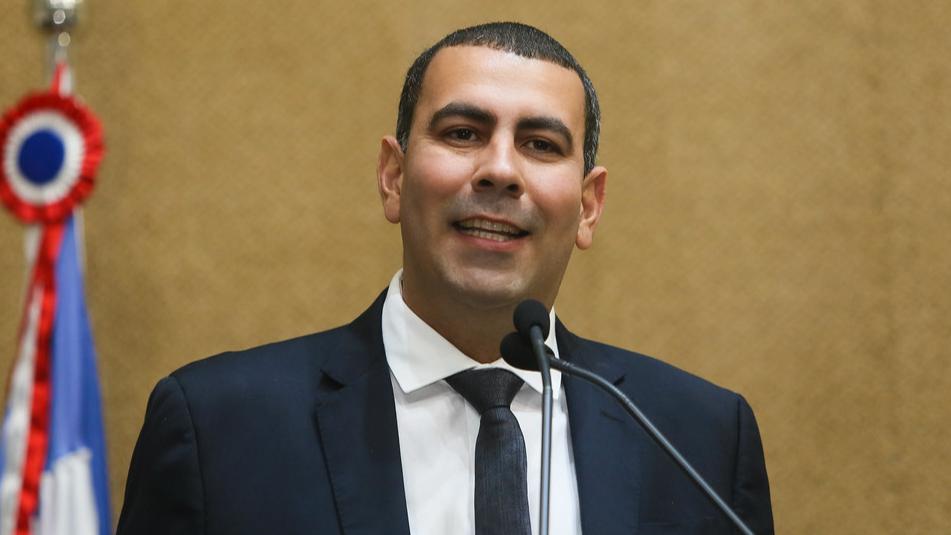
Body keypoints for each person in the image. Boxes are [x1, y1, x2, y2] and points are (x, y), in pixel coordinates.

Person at [117, 22, 773, 535]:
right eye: (463, 133)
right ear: (393, 177)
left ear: (588, 205)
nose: (500, 171)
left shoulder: (699, 439)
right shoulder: (218, 428)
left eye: (540, 145)